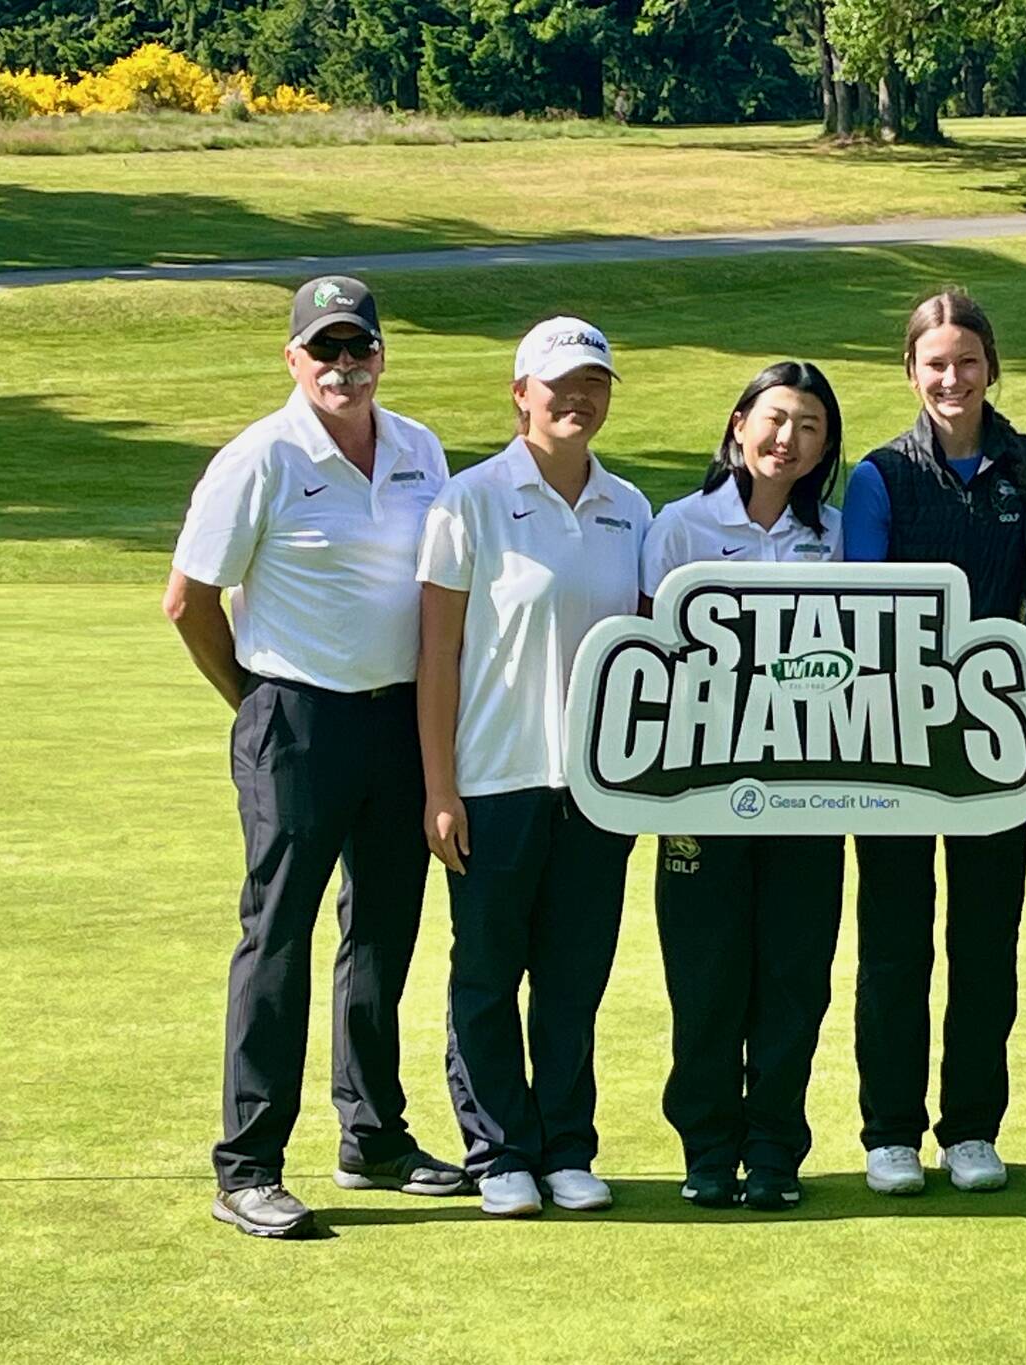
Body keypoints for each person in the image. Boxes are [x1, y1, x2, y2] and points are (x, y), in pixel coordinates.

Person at [166, 275, 466, 1239]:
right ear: (294, 359)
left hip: (397, 719)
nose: (345, 367)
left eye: (361, 348)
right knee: (279, 935)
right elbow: (188, 600)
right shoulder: (259, 456)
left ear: (382, 353)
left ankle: (372, 1135)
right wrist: (255, 700)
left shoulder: (419, 448)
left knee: (382, 929)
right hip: (294, 715)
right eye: (325, 350)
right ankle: (247, 1165)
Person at [415, 316, 650, 1218]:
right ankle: (498, 1148)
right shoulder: (467, 501)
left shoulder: (630, 508)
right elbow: (437, 654)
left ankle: (565, 1144)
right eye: (559, 386)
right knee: (486, 971)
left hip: (595, 788)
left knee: (573, 977)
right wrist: (440, 787)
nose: (577, 400)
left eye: (594, 384)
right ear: (521, 394)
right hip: (494, 777)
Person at [841, 287, 1026, 1196]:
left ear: (991, 365)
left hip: (997, 743)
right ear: (912, 370)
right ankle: (890, 1129)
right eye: (935, 362)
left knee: (984, 940)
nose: (952, 377)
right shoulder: (877, 475)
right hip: (894, 740)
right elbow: (859, 612)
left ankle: (971, 1126)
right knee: (895, 940)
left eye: (967, 360)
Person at [642, 361, 847, 1212]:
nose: (786, 438)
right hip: (699, 795)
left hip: (808, 792)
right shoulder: (680, 527)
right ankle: (707, 1145)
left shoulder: (835, 535)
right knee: (707, 974)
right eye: (773, 418)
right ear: (737, 424)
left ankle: (773, 1151)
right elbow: (649, 659)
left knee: (795, 976)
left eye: (808, 425)